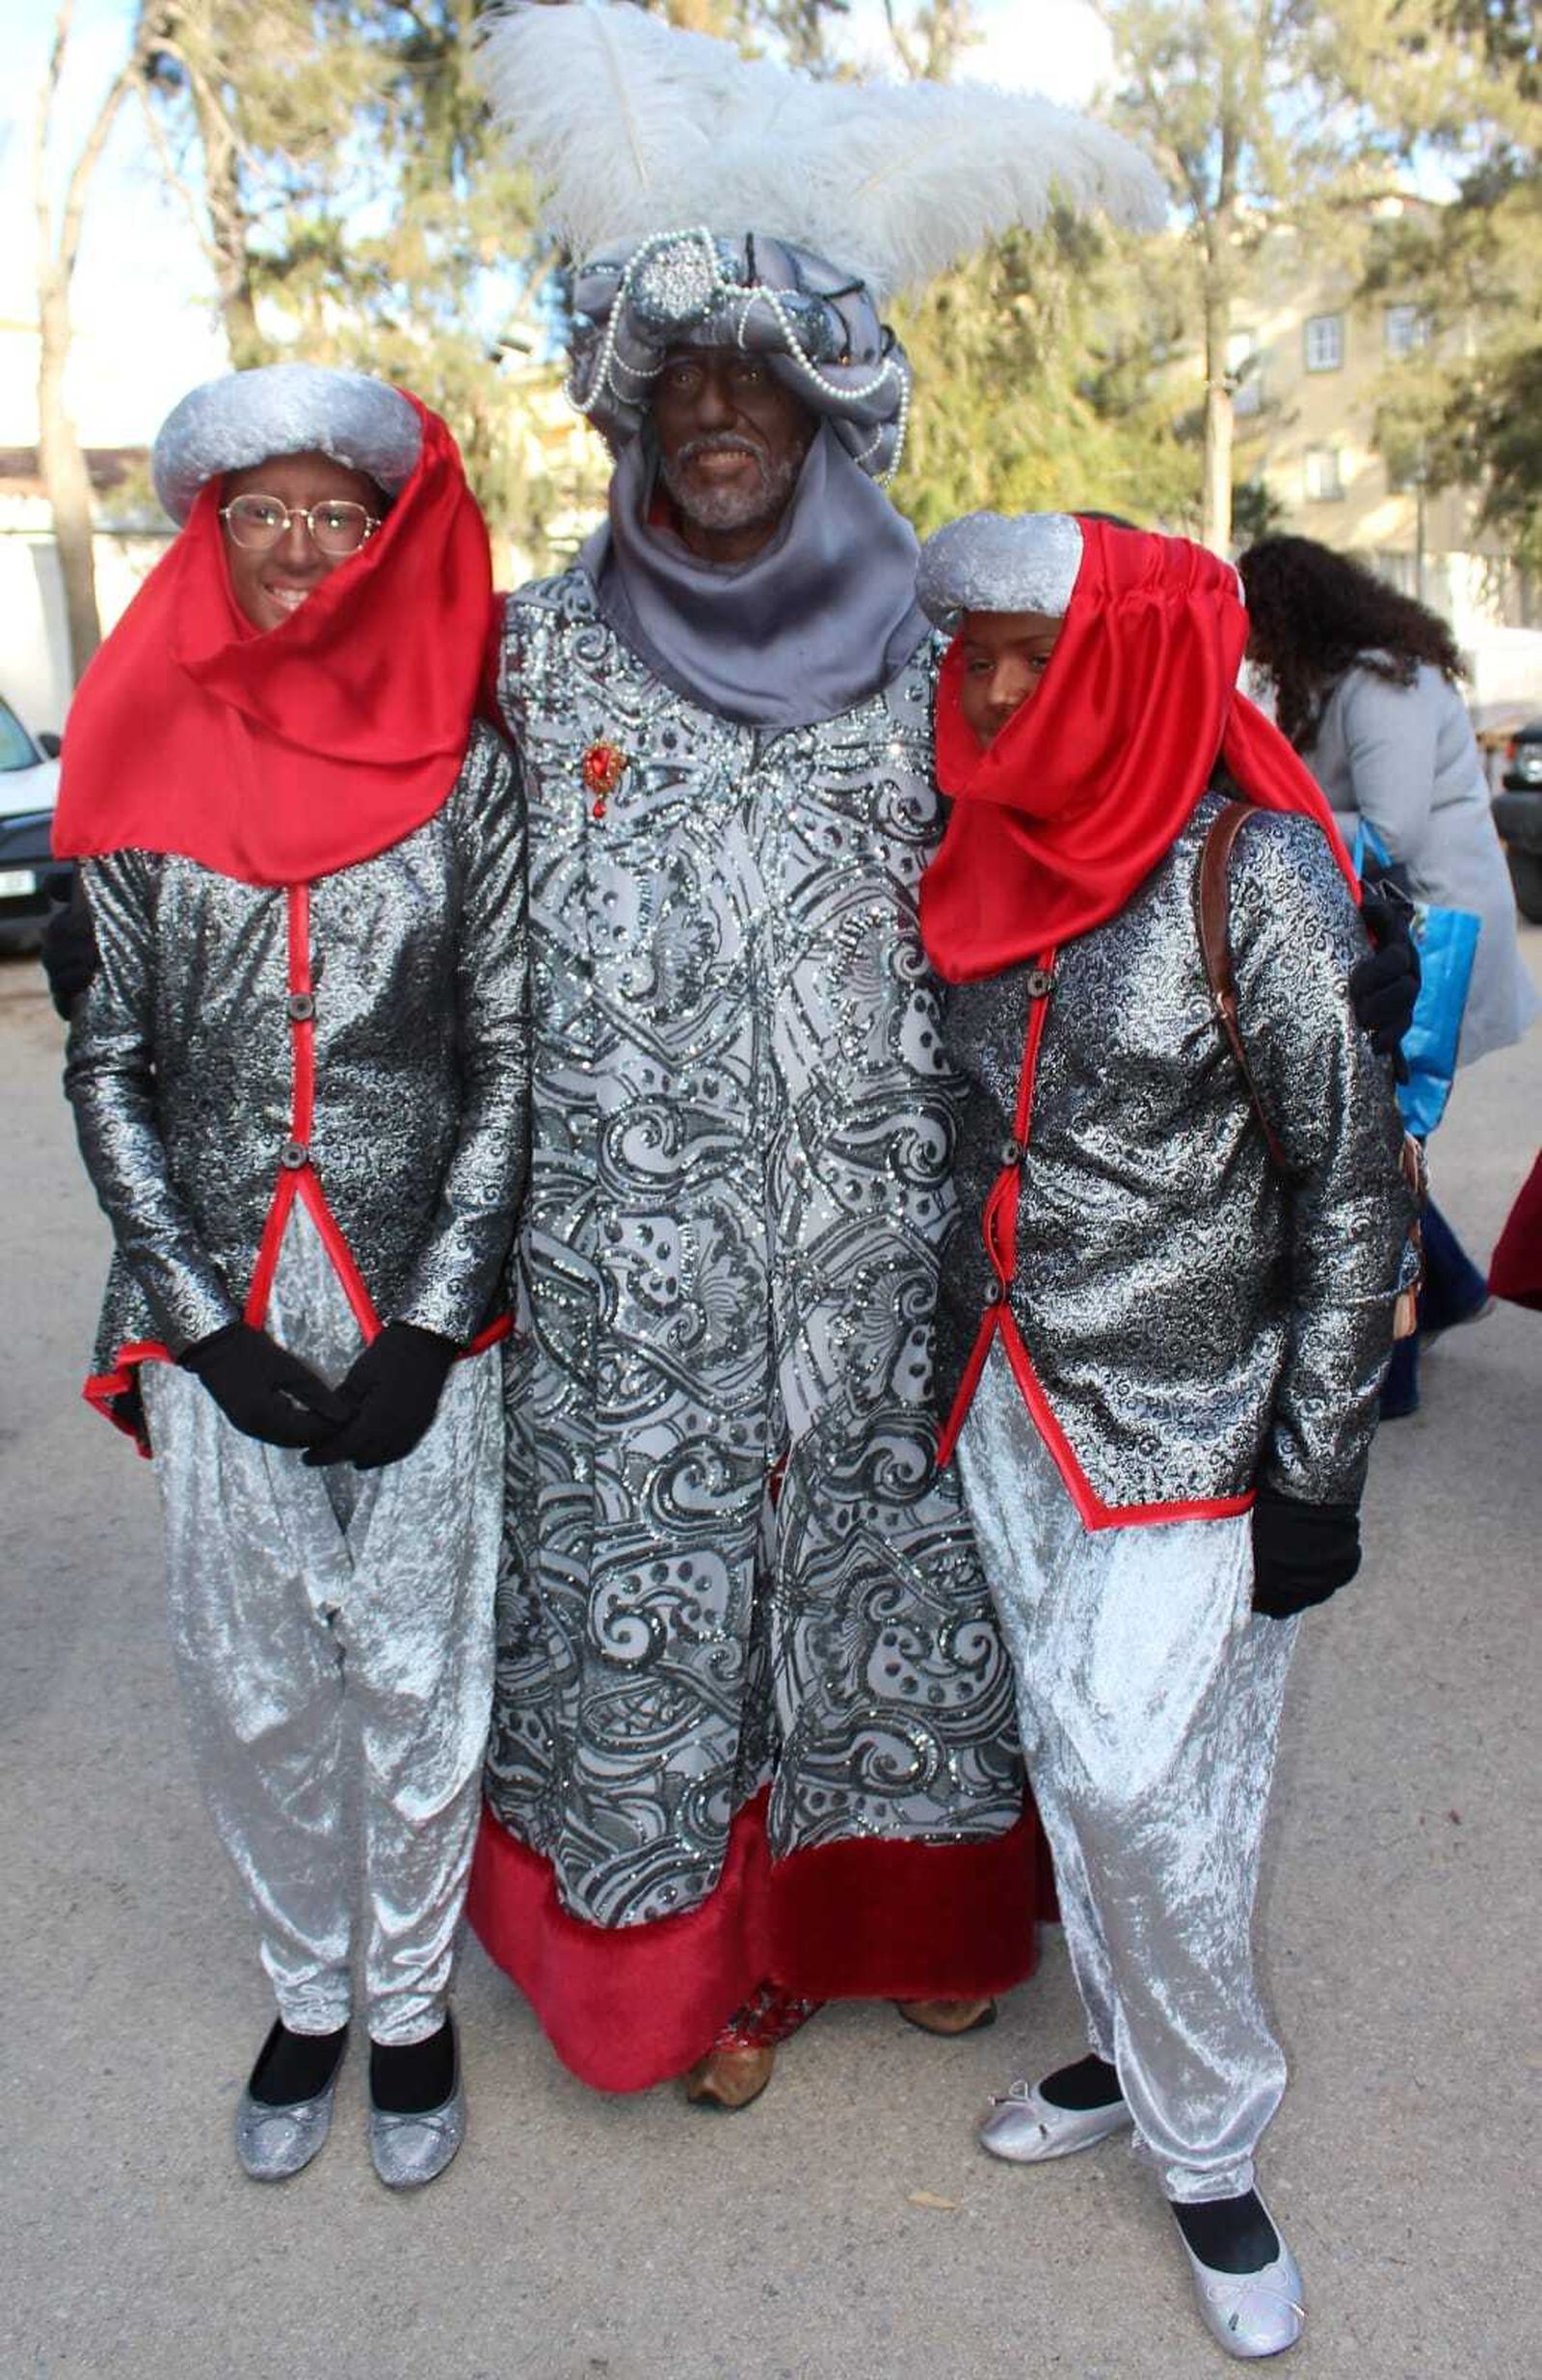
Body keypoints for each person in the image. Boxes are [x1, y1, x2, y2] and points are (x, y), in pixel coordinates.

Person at [464, 0, 1167, 2108]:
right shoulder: (534, 655)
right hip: (622, 1273)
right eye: (678, 375)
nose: (715, 408)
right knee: (656, 1603)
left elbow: (1090, 873)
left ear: (827, 398)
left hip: (889, 1245)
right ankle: (685, 1964)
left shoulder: (945, 655)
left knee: (892, 1582)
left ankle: (901, 1919)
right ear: (626, 404)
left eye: (755, 372)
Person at [914, 512, 1416, 2357]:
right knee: (1074, 1755)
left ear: (1128, 664)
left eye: (1032, 654)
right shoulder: (974, 838)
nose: (991, 689)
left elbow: (1350, 1186)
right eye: (975, 653)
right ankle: (1128, 2053)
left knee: (1154, 1784)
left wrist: (1318, 1470)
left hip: (1197, 1423)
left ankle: (1209, 2134)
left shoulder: (1253, 868)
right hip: (1009, 1399)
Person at [53, 363, 529, 2188]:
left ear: (385, 536)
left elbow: (508, 1056)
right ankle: (307, 1990)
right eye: (263, 512)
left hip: (420, 1297)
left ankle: (407, 2004)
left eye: (341, 514)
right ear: (211, 529)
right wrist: (199, 1321)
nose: (301, 547)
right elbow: (109, 1065)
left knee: (419, 1665)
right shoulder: (134, 757)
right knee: (252, 1677)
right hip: (219, 1303)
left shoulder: (465, 765)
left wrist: (434, 1317)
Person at [1239, 533, 1539, 1414]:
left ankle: (1390, 1377)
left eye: (1259, 624)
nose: (1254, 645)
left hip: (1434, 934)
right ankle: (1447, 1291)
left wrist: (1261, 811)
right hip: (1405, 931)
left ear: (1296, 614)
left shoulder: (1382, 685)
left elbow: (1390, 830)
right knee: (1380, 1138)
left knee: (1382, 1148)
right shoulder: (1346, 679)